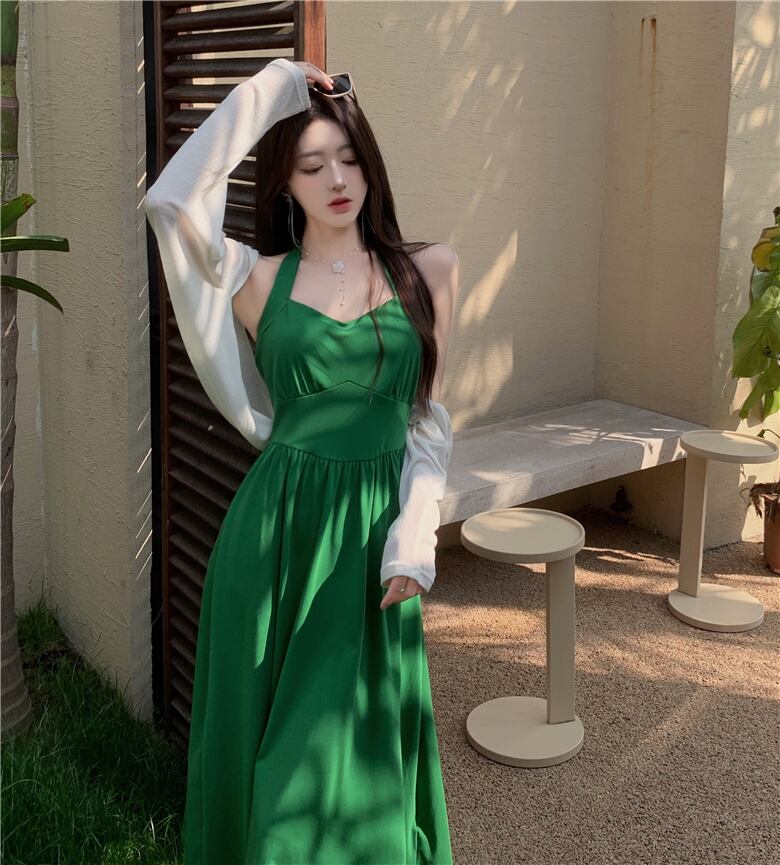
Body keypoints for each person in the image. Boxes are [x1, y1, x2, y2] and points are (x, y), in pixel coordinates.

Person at [143, 56, 459, 865]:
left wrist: (415, 534)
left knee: (360, 773)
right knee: (282, 780)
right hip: (276, 541)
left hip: (375, 541)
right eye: (312, 165)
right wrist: (275, 87)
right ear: (283, 182)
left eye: (348, 158)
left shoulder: (428, 271)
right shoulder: (254, 278)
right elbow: (170, 200)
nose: (337, 179)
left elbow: (426, 420)